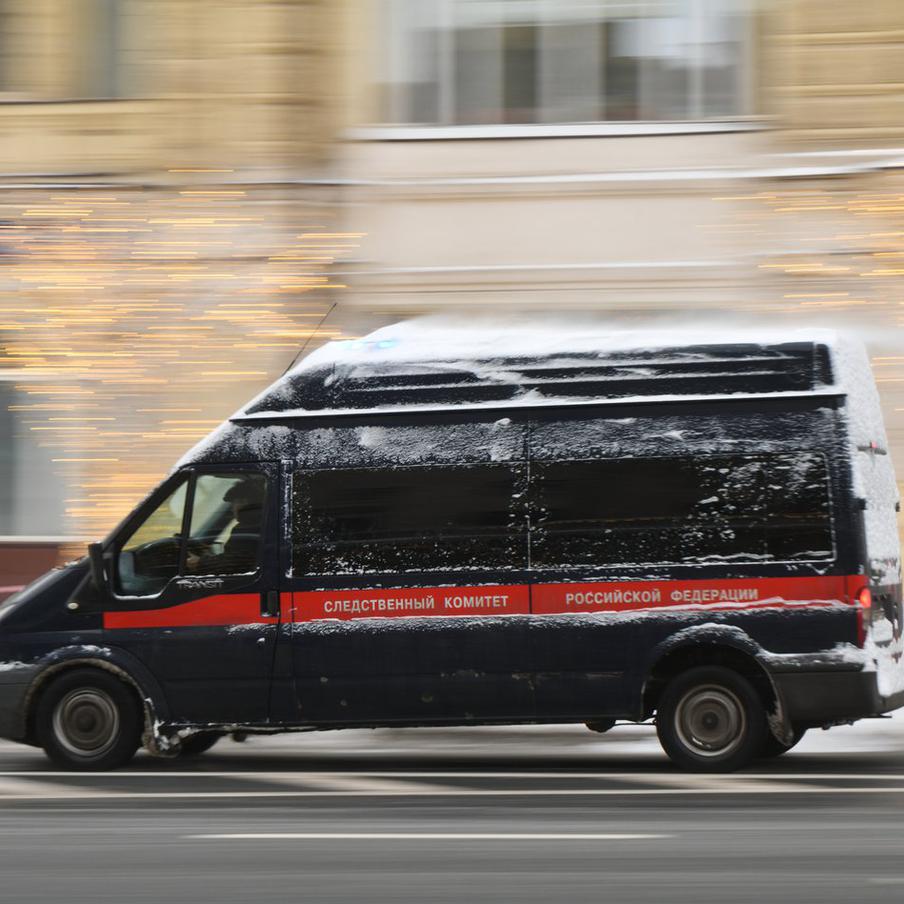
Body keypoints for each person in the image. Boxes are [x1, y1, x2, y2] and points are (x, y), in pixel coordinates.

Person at [186, 478, 264, 575]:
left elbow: (237, 562)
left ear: (244, 502)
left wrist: (201, 563)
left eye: (234, 503)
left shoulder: (250, 527)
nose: (232, 509)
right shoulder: (258, 524)